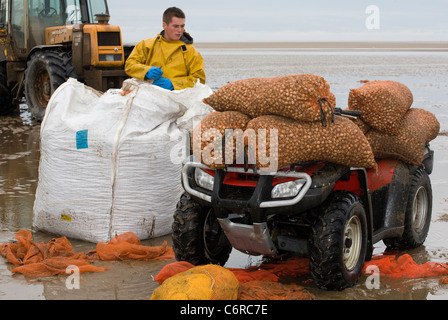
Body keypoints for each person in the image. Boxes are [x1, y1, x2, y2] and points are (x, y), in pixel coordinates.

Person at [125, 7, 205, 90]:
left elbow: (200, 79)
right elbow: (129, 65)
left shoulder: (191, 51)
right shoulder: (146, 45)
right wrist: (146, 71)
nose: (180, 30)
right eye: (175, 26)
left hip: (178, 97)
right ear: (164, 25)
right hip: (149, 95)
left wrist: (174, 83)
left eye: (182, 26)